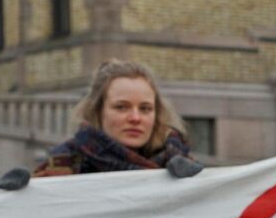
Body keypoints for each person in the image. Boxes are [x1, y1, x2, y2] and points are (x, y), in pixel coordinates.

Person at [27, 59, 201, 179]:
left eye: (145, 108)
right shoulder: (62, 165)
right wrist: (14, 198)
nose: (135, 118)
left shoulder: (180, 162)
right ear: (98, 110)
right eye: (121, 107)